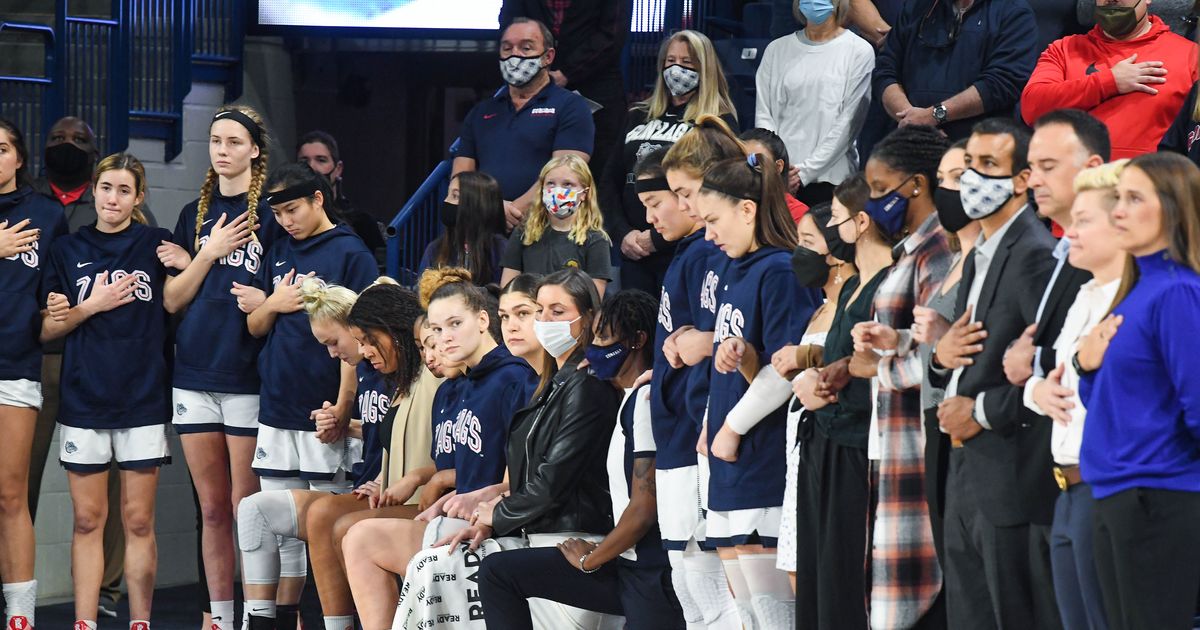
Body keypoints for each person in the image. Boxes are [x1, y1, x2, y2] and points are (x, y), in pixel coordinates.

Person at [478, 289, 686, 629]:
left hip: (651, 573)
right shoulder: (625, 399)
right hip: (627, 565)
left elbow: (644, 510)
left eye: (603, 338)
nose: (592, 350)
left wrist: (592, 558)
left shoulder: (646, 400)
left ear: (637, 340)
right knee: (499, 572)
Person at [152, 104, 285, 630]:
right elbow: (171, 300)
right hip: (195, 374)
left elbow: (276, 296)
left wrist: (209, 266)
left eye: (233, 141)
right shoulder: (194, 215)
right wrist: (207, 255)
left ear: (255, 149)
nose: (222, 150)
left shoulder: (273, 215)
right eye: (215, 141)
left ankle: (261, 613)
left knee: (245, 504)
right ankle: (219, 616)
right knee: (209, 508)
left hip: (246, 374)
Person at [342, 275, 538, 629]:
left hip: (499, 527)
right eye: (436, 329)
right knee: (358, 536)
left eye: (455, 324)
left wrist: (468, 497)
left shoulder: (514, 378)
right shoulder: (459, 384)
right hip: (459, 521)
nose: (444, 337)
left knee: (361, 538)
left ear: (482, 321)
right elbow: (451, 466)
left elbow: (519, 474)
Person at [927, 118, 1059, 629]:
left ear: (1022, 180)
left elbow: (1049, 367)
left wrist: (980, 411)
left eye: (987, 167)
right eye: (967, 168)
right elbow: (964, 354)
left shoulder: (1033, 254)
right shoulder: (982, 250)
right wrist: (940, 357)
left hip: (1007, 467)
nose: (971, 181)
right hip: (963, 468)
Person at [236, 278, 427, 630]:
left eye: (336, 341)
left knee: (327, 515)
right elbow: (380, 430)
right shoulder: (375, 369)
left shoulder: (409, 371)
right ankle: (259, 623)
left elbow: (414, 443)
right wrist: (343, 422)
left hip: (395, 493)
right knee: (253, 509)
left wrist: (397, 478)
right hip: (378, 484)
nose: (335, 352)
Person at [438, 269, 620, 629]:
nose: (544, 321)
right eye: (540, 311)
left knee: (484, 572)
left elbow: (553, 481)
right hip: (535, 537)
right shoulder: (550, 384)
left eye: (557, 311)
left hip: (574, 542)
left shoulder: (586, 385)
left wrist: (498, 514)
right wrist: (491, 523)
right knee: (440, 562)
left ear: (588, 319)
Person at [31, 116, 159, 617]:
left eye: (123, 190)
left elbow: (173, 303)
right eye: (106, 188)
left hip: (142, 398)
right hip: (84, 397)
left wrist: (199, 257)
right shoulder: (67, 248)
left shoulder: (159, 245)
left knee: (138, 520)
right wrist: (93, 305)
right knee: (88, 519)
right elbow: (46, 329)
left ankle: (140, 620)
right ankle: (84, 621)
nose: (112, 198)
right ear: (96, 190)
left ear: (138, 197)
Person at [242, 163, 378, 629]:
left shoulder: (350, 252)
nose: (285, 221)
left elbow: (359, 338)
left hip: (323, 408)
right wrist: (272, 304)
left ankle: (332, 619)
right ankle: (277, 619)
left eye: (293, 209)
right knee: (275, 527)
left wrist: (343, 407)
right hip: (277, 403)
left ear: (319, 199)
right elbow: (254, 326)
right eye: (277, 213)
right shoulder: (278, 249)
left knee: (324, 528)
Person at [1073, 152, 1200, 630]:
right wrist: (1087, 368)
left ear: (1172, 206)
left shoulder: (1178, 293)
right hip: (1118, 493)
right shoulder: (1137, 290)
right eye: (1118, 197)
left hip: (1159, 496)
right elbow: (1110, 402)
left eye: (1132, 199)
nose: (1118, 211)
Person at [699, 151, 822, 628]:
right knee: (745, 611)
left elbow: (786, 368)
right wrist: (713, 422)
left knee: (773, 613)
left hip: (761, 456)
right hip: (730, 459)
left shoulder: (780, 270)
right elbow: (740, 363)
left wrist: (729, 427)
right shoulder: (736, 266)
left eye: (714, 220)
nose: (709, 234)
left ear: (747, 209)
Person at [847, 125, 955, 630]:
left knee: (919, 601)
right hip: (889, 434)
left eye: (878, 187)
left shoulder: (938, 249)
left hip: (919, 435)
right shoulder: (909, 251)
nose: (872, 202)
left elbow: (941, 351)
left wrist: (882, 364)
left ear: (914, 184)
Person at [1022, 162, 1127, 630]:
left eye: (1085, 221)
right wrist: (1036, 389)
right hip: (1066, 488)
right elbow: (1049, 377)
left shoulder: (1134, 300)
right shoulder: (1085, 294)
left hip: (1107, 489)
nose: (1072, 233)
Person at [660, 115, 748, 628]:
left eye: (685, 192)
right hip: (687, 425)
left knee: (723, 592)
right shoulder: (699, 252)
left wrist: (706, 343)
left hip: (712, 429)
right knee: (690, 582)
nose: (683, 206)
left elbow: (749, 342)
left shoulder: (733, 256)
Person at [792, 174, 892, 630]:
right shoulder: (853, 287)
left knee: (851, 583)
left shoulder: (888, 284)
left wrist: (833, 375)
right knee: (822, 580)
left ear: (861, 221)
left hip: (859, 447)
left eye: (834, 218)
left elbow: (876, 366)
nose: (832, 230)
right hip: (824, 442)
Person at [601, 29, 738, 296]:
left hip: (685, 249)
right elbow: (609, 180)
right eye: (670, 61)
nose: (677, 69)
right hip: (633, 250)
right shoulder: (637, 115)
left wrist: (656, 240)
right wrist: (623, 234)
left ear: (705, 68)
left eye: (687, 63)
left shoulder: (716, 121)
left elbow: (717, 189)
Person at [0, 118, 67, 629]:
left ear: (20, 157)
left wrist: (59, 315)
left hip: (15, 366)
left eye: (2, 149)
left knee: (10, 492)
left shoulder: (46, 215)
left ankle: (20, 616)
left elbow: (49, 306)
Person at [771, 202, 852, 590]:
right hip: (798, 453)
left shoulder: (850, 306)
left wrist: (810, 356)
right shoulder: (818, 310)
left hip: (830, 451)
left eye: (807, 241)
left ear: (834, 249)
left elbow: (849, 364)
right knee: (797, 574)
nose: (798, 253)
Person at [452, 17, 595, 232]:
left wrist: (512, 213)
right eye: (507, 48)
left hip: (545, 232)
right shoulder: (481, 112)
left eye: (526, 47)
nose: (514, 55)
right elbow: (460, 179)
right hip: (483, 232)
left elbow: (567, 174)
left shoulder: (571, 106)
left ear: (548, 57)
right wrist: (492, 213)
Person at [1020, 0, 1196, 159]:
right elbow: (1032, 107)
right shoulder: (1065, 49)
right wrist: (1109, 82)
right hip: (1075, 185)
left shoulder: (1191, 56)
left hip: (1149, 184)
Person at [914, 140, 979, 564]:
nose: (945, 190)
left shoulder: (990, 260)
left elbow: (972, 343)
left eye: (957, 178)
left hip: (965, 424)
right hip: (933, 418)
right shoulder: (950, 257)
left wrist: (940, 338)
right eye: (941, 180)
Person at [499, 0, 631, 196]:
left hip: (598, 84)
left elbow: (612, 35)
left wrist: (567, 73)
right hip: (534, 81)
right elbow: (510, 26)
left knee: (600, 174)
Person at [755, 0, 875, 206]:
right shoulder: (776, 49)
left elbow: (848, 124)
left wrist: (803, 173)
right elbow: (764, 114)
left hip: (831, 181)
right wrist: (777, 166)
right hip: (779, 178)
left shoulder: (859, 51)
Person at [873, 0, 1038, 141]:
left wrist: (933, 115)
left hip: (976, 146)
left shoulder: (1014, 12)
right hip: (910, 141)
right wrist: (910, 120)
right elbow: (885, 70)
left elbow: (1003, 82)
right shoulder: (917, 7)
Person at [500, 154, 611, 296]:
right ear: (542, 189)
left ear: (584, 193)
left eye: (567, 184)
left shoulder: (596, 239)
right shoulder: (523, 232)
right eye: (551, 183)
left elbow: (594, 301)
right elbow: (507, 290)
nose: (557, 191)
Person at [296, 130, 386, 256]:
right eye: (304, 161)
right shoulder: (287, 221)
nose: (312, 167)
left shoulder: (362, 223)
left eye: (321, 160)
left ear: (338, 169)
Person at [418, 171, 509, 284]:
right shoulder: (436, 249)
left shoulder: (501, 249)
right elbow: (422, 292)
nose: (446, 201)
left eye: (455, 196)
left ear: (475, 204)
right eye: (448, 194)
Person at [739, 128, 811, 222]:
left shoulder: (798, 214)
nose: (746, 169)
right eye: (740, 161)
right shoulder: (731, 207)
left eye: (755, 161)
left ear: (778, 167)